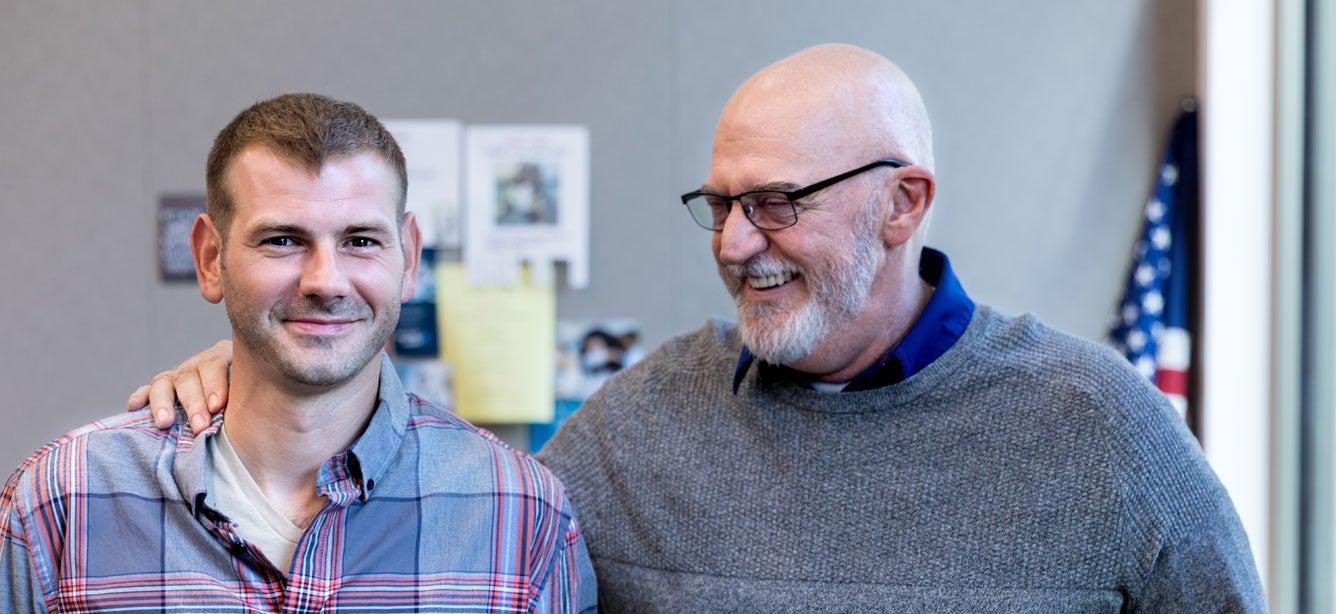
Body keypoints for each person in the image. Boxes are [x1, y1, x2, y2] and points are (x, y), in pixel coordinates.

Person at [134, 46, 1264, 612]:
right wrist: (271, 374)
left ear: (903, 203)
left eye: (774, 202)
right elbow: (447, 513)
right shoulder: (636, 429)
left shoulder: (1103, 433)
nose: (732, 242)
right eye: (718, 204)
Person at [2, 93, 595, 612]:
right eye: (283, 240)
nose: (326, 281)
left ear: (409, 259)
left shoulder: (520, 513)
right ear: (210, 259)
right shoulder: (64, 501)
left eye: (360, 240)